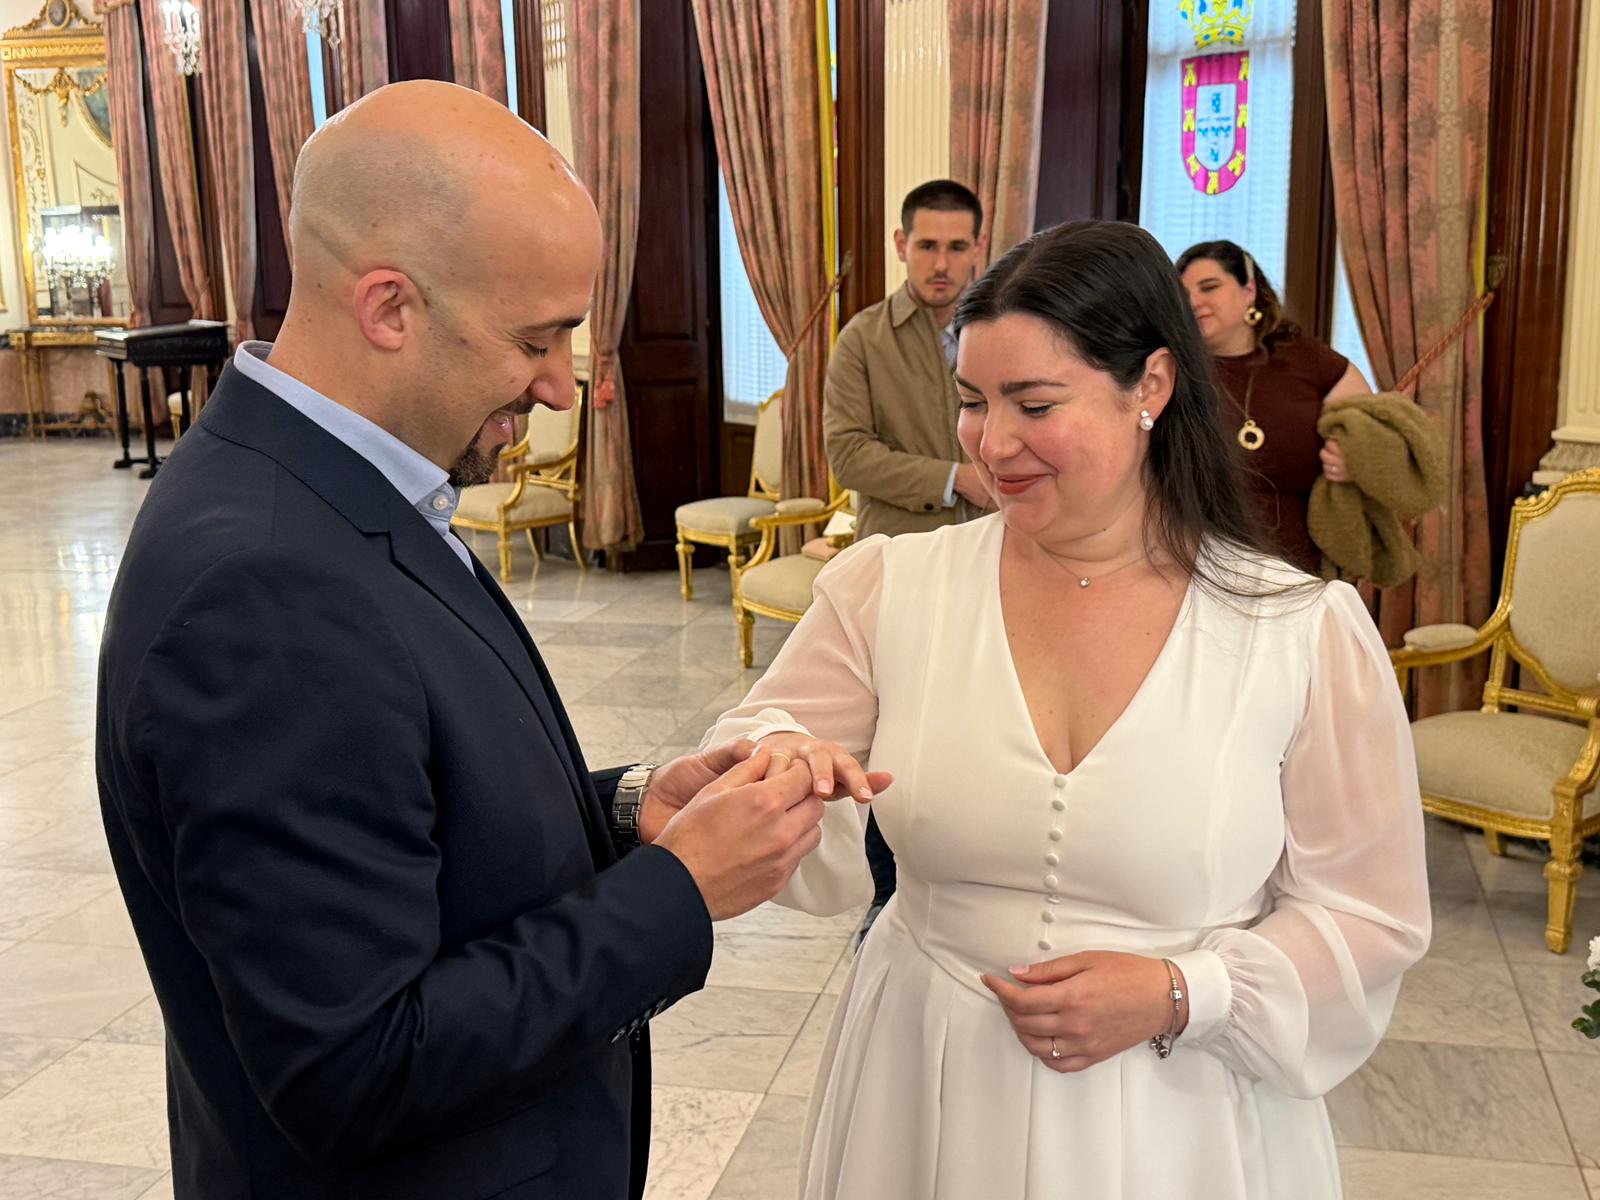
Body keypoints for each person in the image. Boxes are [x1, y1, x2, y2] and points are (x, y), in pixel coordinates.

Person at [94, 81, 867, 1200]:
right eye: (534, 339)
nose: (557, 385)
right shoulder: (262, 588)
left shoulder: (335, 487)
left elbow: (397, 815)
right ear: (389, 307)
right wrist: (679, 891)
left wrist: (626, 814)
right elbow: (356, 1070)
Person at [703, 221, 1430, 1198]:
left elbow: (1368, 910)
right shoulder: (887, 587)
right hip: (926, 1081)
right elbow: (754, 746)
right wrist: (779, 762)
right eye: (972, 401)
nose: (991, 443)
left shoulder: (1298, 629)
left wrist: (1186, 991)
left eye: (1034, 403)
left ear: (1152, 387)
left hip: (1181, 1117)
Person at [824, 179, 990, 927]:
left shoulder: (1008, 332)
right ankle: (887, 911)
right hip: (905, 566)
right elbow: (848, 454)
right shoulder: (863, 340)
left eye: (956, 246)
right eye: (927, 245)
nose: (941, 263)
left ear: (979, 247)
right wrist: (956, 478)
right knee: (899, 747)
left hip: (1000, 566)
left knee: (979, 740)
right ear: (901, 245)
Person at [1176, 240, 1373, 574]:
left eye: (1209, 287)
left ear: (1249, 290)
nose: (1194, 302)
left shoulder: (1309, 360)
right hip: (1199, 567)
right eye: (1183, 295)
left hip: (1300, 572)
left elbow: (1373, 437)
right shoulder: (1172, 372)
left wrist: (1355, 461)